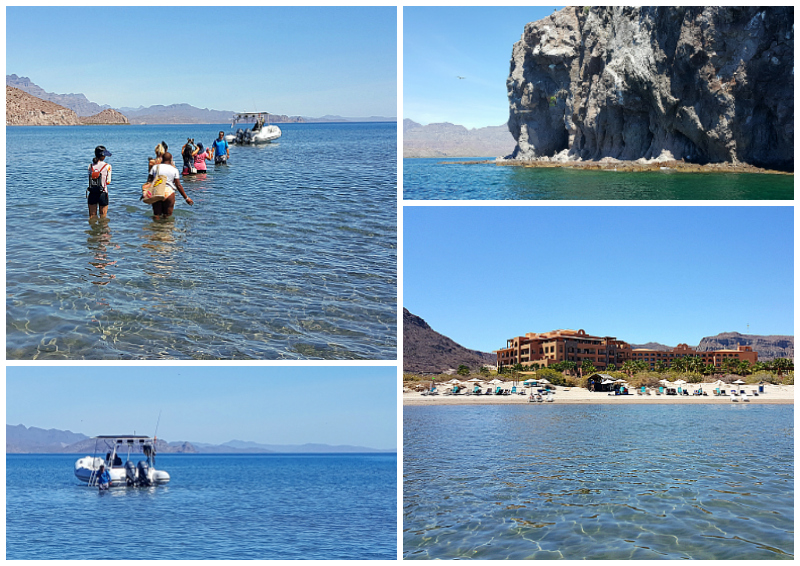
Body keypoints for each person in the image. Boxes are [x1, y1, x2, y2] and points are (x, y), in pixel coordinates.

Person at [146, 152, 194, 218]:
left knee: (157, 215)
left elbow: (149, 181)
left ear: (162, 159)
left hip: (157, 191)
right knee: (167, 216)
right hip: (169, 193)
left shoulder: (155, 167)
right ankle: (167, 227)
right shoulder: (174, 170)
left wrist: (146, 193)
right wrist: (186, 198)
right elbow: (178, 185)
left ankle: (156, 227)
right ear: (171, 159)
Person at [88, 145, 112, 219]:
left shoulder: (90, 166)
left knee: (92, 217)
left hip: (92, 193)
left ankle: (93, 230)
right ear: (103, 156)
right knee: (103, 218)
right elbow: (108, 181)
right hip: (103, 193)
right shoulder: (108, 166)